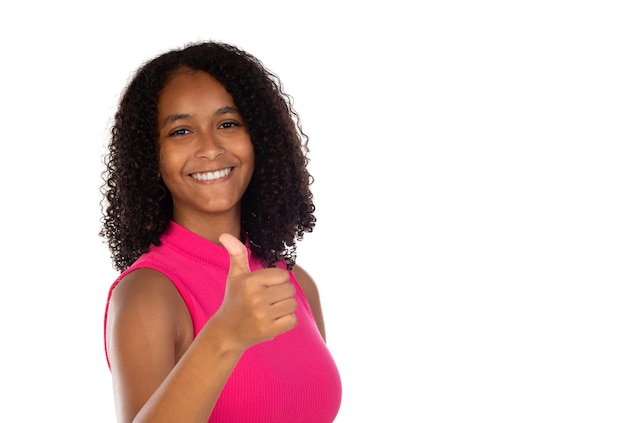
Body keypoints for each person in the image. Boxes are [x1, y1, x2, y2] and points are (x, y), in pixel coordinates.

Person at [99, 41, 342, 423]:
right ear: (151, 155)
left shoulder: (293, 282)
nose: (210, 148)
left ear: (259, 138)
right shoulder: (148, 293)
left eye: (227, 124)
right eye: (181, 131)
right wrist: (225, 335)